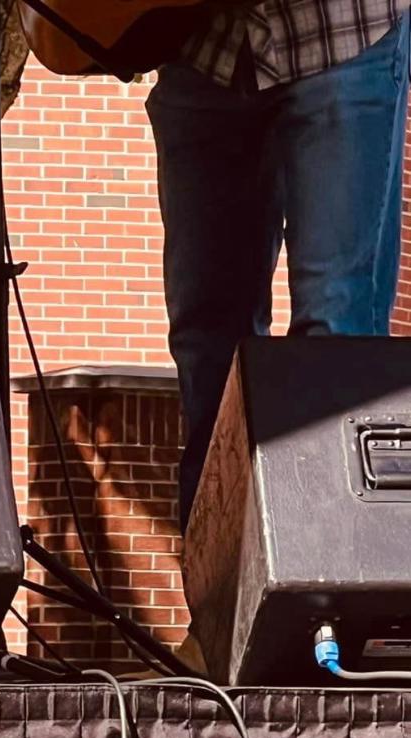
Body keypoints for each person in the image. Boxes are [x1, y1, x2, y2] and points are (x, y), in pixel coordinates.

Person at [148, 0, 411, 527]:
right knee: (207, 354)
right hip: (205, 46)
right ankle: (222, 600)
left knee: (335, 341)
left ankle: (335, 589)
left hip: (338, 29)